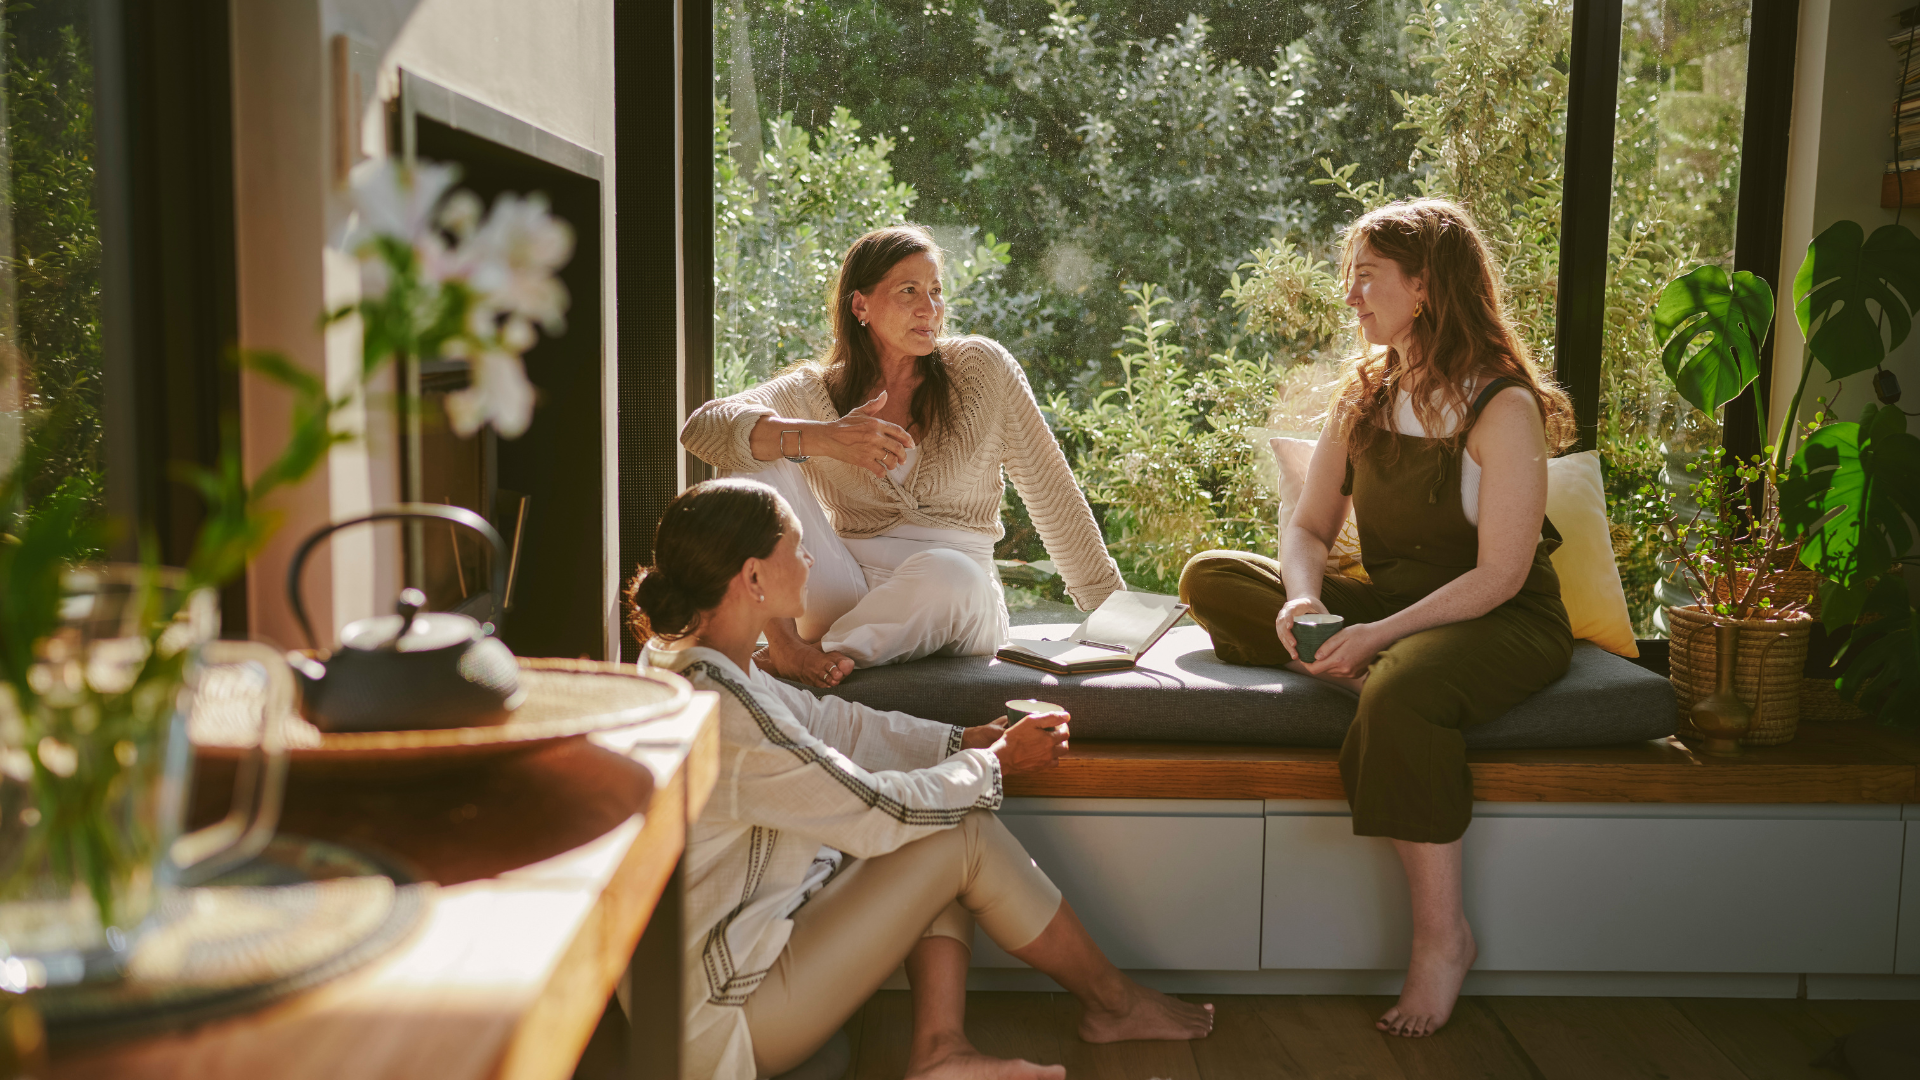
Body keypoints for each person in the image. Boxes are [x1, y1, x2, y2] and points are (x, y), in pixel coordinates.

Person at [632, 479, 1212, 1080]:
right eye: (797, 546)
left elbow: (828, 720)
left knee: (946, 809)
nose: (808, 560)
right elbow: (886, 813)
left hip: (693, 988)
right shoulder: (727, 715)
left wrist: (959, 743)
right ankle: (1111, 1004)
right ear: (753, 578)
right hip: (716, 1022)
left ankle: (942, 1050)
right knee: (956, 829)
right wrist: (996, 763)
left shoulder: (687, 662)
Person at [1178, 199, 1575, 1038]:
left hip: (1499, 618)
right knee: (1211, 576)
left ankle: (1442, 941)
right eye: (1349, 278)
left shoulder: (1502, 407)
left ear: (1425, 287)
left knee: (1399, 693)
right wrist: (1302, 600)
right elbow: (1310, 528)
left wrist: (1380, 637)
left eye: (1367, 279)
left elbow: (1502, 575)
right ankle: (1360, 667)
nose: (1351, 297)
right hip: (1397, 607)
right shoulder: (1364, 392)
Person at [680, 224, 1123, 688]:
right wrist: (822, 438)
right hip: (844, 585)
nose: (928, 308)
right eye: (908, 290)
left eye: (935, 291)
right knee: (754, 446)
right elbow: (705, 429)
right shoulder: (816, 392)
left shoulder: (980, 368)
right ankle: (788, 645)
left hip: (956, 595)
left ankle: (811, 657)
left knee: (950, 573)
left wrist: (1110, 608)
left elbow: (1051, 489)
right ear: (860, 305)